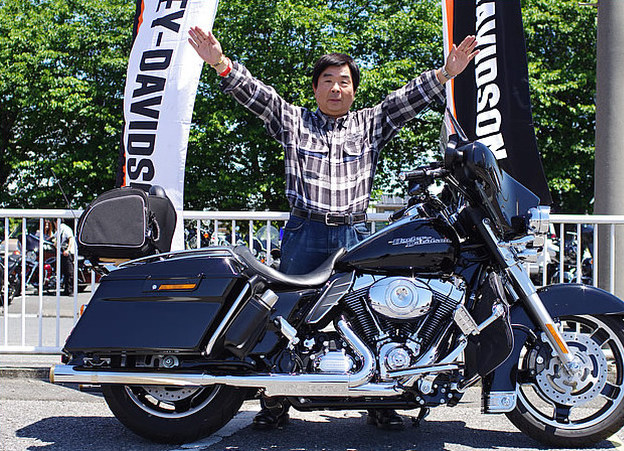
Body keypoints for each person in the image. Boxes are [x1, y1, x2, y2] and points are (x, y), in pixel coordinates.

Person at [189, 26, 478, 431]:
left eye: (344, 81)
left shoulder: (371, 123)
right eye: (327, 81)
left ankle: (380, 401)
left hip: (354, 235)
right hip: (305, 232)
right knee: (286, 317)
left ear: (354, 90)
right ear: (315, 89)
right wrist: (221, 63)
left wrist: (446, 73)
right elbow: (258, 96)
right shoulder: (294, 121)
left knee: (371, 318)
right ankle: (275, 402)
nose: (336, 88)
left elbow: (406, 100)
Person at [45, 219, 75, 296]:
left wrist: (68, 250)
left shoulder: (65, 228)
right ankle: (66, 290)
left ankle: (70, 290)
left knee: (69, 272)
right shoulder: (59, 229)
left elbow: (71, 238)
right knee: (64, 272)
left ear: (56, 222)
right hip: (62, 253)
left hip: (67, 253)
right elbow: (52, 238)